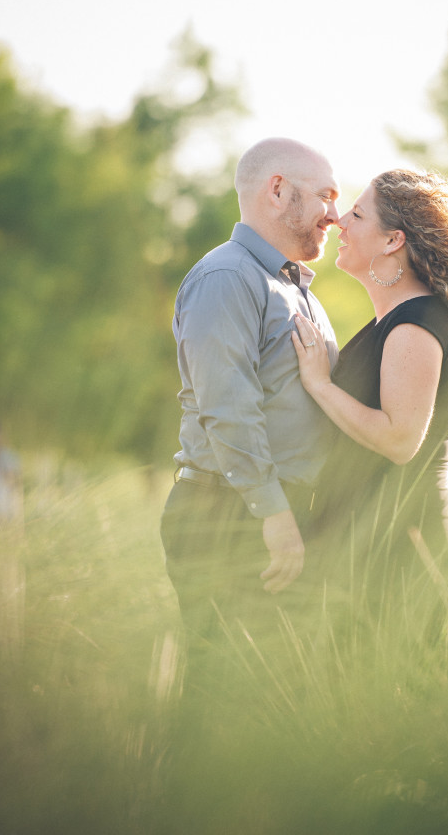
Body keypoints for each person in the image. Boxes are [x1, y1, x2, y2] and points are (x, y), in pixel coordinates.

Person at [160, 137, 340, 693]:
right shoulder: (227, 279)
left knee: (268, 701)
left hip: (260, 512)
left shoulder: (292, 287)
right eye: (326, 197)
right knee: (226, 698)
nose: (335, 214)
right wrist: (274, 513)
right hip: (231, 515)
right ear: (277, 190)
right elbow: (227, 408)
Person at [292, 167, 448, 629]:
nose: (338, 222)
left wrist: (320, 384)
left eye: (357, 214)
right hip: (371, 551)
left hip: (398, 560)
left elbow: (400, 440)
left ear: (393, 241)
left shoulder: (414, 324)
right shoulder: (396, 322)